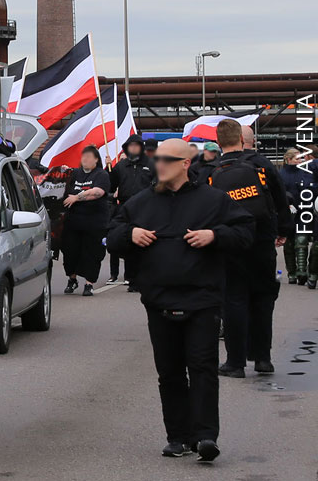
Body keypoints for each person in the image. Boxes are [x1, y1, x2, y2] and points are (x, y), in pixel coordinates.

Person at [107, 138, 253, 462]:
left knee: (202, 368)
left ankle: (204, 437)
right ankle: (177, 437)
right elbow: (112, 235)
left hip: (203, 298)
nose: (158, 164)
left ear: (185, 164)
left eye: (166, 159)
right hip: (158, 299)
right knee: (169, 372)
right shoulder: (141, 202)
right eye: (156, 158)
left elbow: (246, 232)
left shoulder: (214, 201)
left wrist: (215, 235)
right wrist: (129, 234)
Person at [211, 120, 285, 378]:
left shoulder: (211, 170)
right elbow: (280, 199)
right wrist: (283, 230)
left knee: (234, 299)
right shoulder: (263, 165)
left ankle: (235, 362)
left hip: (230, 242)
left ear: (218, 142)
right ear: (243, 141)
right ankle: (263, 359)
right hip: (262, 240)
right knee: (264, 298)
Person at [61, 146, 111, 296]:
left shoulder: (101, 175)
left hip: (95, 223)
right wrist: (60, 172)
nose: (86, 159)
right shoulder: (75, 174)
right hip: (73, 222)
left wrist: (77, 197)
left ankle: (89, 284)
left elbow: (97, 192)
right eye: (84, 156)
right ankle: (72, 279)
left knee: (92, 253)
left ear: (96, 159)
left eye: (89, 157)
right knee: (70, 252)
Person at [108, 135, 153, 285]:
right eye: (131, 146)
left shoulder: (151, 164)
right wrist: (108, 170)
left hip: (146, 207)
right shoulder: (121, 166)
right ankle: (130, 277)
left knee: (145, 241)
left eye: (136, 145)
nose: (134, 148)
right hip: (126, 206)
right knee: (128, 240)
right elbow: (110, 185)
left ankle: (144, 274)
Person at [279, 148, 315, 286]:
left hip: (303, 211)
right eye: (297, 158)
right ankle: (292, 274)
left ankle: (301, 272)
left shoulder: (305, 173)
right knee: (288, 244)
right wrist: (286, 205)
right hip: (287, 213)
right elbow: (278, 193)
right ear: (289, 160)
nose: (300, 161)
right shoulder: (281, 174)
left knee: (301, 241)